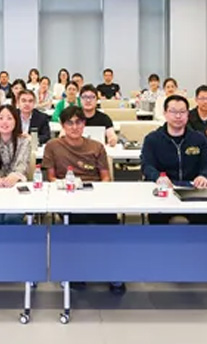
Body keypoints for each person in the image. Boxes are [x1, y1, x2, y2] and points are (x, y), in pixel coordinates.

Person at [42, 105, 125, 294]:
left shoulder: (96, 146)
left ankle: (113, 271)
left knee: (108, 223)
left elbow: (105, 177)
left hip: (94, 195)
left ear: (84, 124)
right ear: (62, 125)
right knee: (76, 223)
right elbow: (51, 178)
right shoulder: (53, 146)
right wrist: (67, 186)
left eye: (78, 122)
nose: (74, 127)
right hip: (67, 195)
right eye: (69, 123)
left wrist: (97, 194)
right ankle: (77, 271)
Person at [141, 95, 207, 225]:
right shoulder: (152, 139)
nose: (178, 116)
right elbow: (146, 165)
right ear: (165, 113)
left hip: (194, 190)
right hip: (164, 190)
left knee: (205, 217)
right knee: (158, 219)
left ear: (188, 114)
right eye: (173, 112)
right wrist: (157, 177)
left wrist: (204, 176)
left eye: (182, 112)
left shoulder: (198, 138)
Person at [0, 106, 32, 225]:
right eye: (1, 118)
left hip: (16, 189)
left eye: (9, 118)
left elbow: (22, 166)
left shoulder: (24, 142)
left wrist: (14, 177)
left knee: (11, 218)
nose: (4, 122)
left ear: (16, 121)